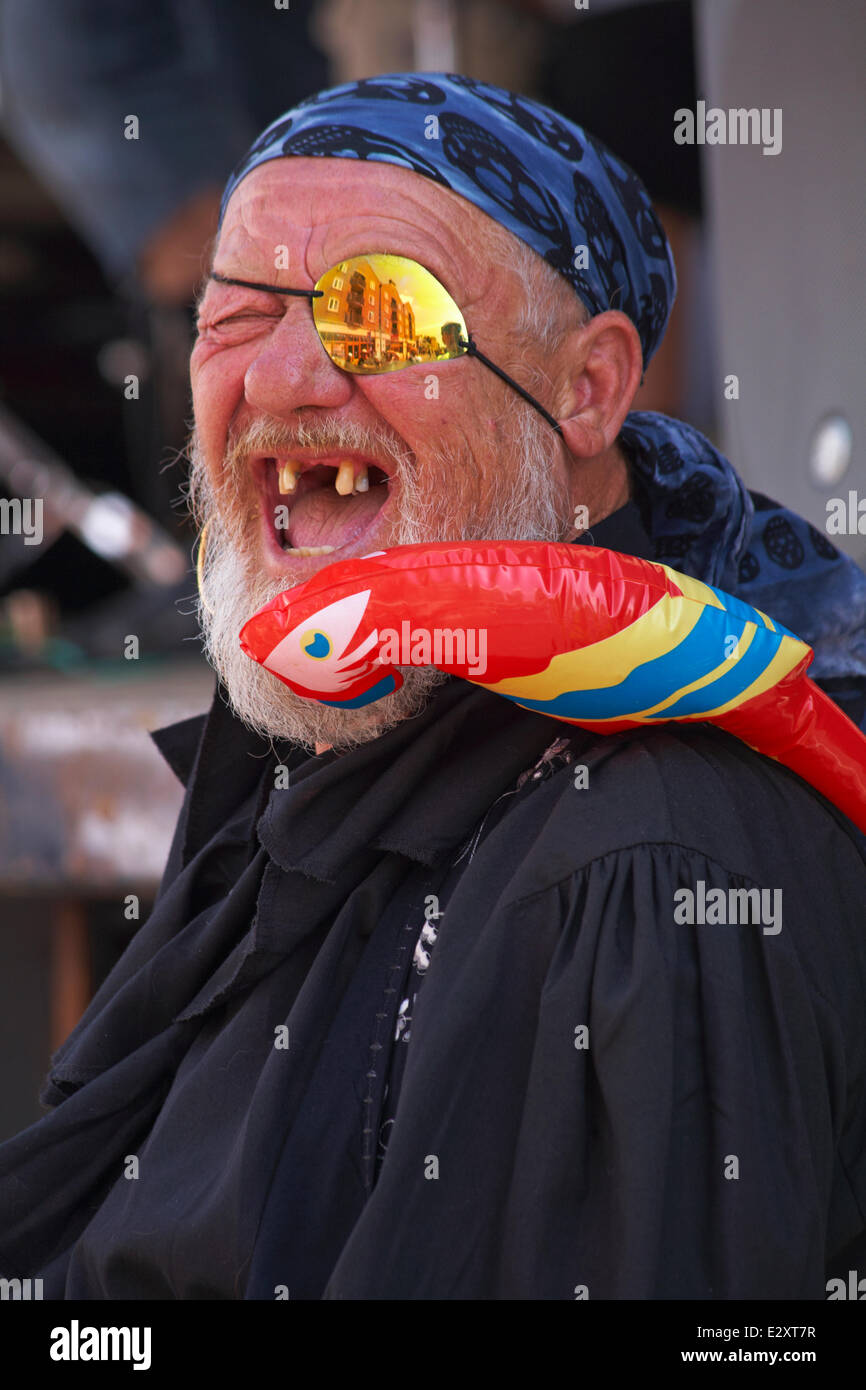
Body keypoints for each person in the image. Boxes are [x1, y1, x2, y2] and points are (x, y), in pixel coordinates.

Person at [1, 73, 865, 1301]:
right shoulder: (325, 728)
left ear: (587, 388)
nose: (285, 378)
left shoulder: (644, 871)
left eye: (383, 316)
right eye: (237, 315)